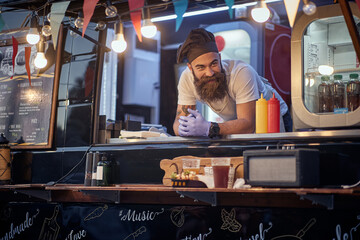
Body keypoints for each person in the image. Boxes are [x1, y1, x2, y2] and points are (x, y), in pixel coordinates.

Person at [173, 28, 291, 137]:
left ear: (219, 58)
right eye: (201, 67)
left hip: (273, 118)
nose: (209, 73)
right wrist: (183, 129)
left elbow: (247, 125)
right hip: (237, 122)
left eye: (214, 64)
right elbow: (179, 121)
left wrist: (209, 127)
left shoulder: (241, 72)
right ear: (190, 68)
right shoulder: (186, 78)